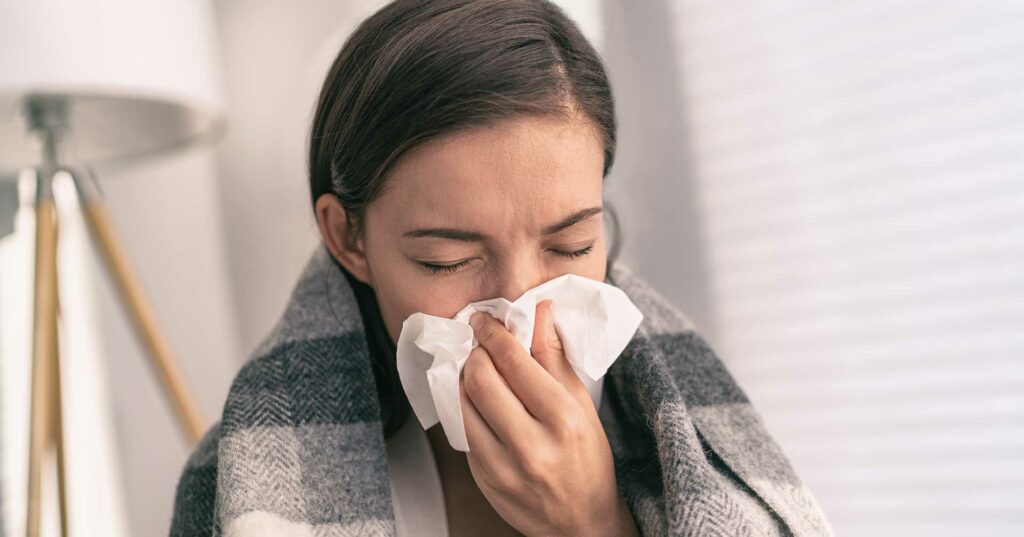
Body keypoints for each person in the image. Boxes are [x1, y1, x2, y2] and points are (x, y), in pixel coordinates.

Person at [170, 1, 832, 536]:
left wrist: (596, 522)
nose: (522, 310)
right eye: (448, 259)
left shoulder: (698, 440)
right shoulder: (235, 482)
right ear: (349, 238)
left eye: (570, 245)